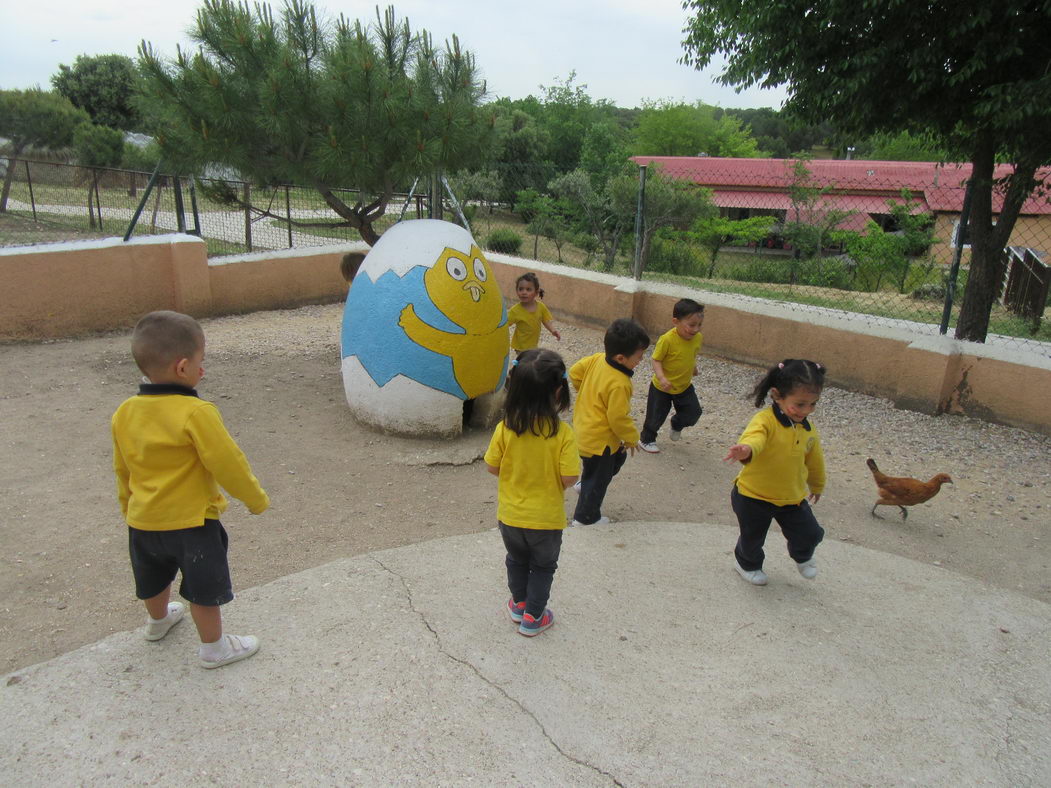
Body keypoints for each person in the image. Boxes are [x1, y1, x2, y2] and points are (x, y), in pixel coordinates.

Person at [111, 310, 270, 668]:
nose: (203, 369)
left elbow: (122, 467)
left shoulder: (125, 411)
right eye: (201, 362)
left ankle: (157, 622)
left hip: (143, 520)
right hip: (193, 523)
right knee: (202, 587)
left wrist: (128, 507)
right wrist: (254, 498)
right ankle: (214, 648)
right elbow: (227, 462)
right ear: (183, 368)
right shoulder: (196, 412)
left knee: (152, 575)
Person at [484, 349, 580, 637]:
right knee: (542, 567)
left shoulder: (505, 428)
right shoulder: (563, 434)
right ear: (558, 390)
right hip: (546, 520)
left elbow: (492, 467)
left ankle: (519, 604)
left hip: (510, 516)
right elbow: (569, 477)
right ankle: (534, 617)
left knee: (516, 560)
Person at [723, 359, 827, 586]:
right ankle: (747, 564)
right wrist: (746, 449)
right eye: (800, 404)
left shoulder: (808, 430)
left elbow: (815, 460)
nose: (806, 411)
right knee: (752, 538)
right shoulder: (765, 420)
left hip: (791, 496)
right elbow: (756, 438)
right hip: (753, 495)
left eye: (813, 404)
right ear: (777, 395)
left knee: (811, 533)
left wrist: (817, 485)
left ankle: (802, 555)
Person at [569, 318, 650, 527]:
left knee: (600, 467)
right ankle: (585, 518)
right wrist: (632, 438)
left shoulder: (597, 359)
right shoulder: (620, 384)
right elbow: (618, 418)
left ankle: (585, 484)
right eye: (639, 357)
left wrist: (586, 392)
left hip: (583, 432)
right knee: (600, 477)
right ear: (621, 358)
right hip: (601, 441)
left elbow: (574, 372)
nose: (640, 361)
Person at [638, 299, 705, 454]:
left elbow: (691, 354)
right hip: (662, 388)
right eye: (691, 325)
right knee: (655, 416)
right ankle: (646, 439)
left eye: (699, 325)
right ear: (676, 321)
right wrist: (662, 378)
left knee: (694, 412)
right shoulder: (667, 339)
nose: (696, 329)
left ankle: (677, 423)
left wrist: (693, 368)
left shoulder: (698, 338)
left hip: (684, 386)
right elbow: (656, 359)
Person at [507, 272, 560, 354]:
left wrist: (553, 330)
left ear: (536, 292)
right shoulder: (515, 311)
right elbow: (505, 324)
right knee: (524, 362)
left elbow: (545, 320)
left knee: (530, 361)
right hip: (520, 346)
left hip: (533, 345)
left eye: (528, 289)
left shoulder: (541, 307)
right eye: (520, 289)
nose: (524, 292)